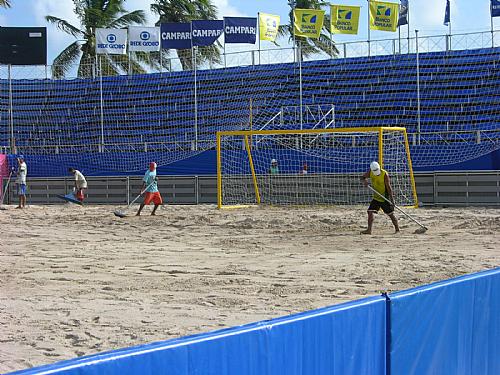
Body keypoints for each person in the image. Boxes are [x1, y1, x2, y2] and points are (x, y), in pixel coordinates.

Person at [360, 161, 400, 234]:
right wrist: (365, 181)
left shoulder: (384, 174)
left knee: (390, 214)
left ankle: (397, 229)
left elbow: (388, 187)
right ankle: (369, 230)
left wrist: (392, 200)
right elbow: (362, 177)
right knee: (370, 212)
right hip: (376, 197)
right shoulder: (370, 172)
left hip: (384, 197)